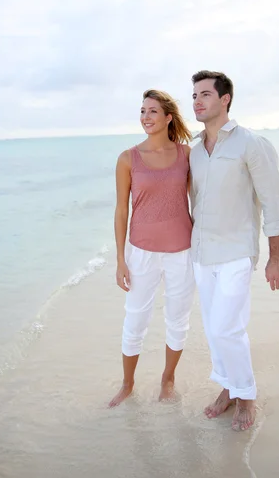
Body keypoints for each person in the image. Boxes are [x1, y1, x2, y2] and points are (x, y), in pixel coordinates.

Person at [189, 70, 279, 431]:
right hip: (201, 253)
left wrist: (276, 257)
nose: (197, 101)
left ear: (225, 99)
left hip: (236, 250)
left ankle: (246, 395)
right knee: (214, 329)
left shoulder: (251, 143)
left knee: (227, 327)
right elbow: (193, 202)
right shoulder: (195, 151)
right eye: (194, 95)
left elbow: (273, 202)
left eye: (204, 94)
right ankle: (228, 389)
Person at [109, 89, 196, 408]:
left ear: (168, 117)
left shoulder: (187, 155)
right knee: (135, 319)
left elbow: (198, 202)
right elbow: (121, 211)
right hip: (141, 252)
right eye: (142, 111)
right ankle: (127, 384)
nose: (146, 117)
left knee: (178, 319)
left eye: (153, 112)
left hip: (182, 252)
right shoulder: (127, 158)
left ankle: (167, 379)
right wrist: (120, 259)